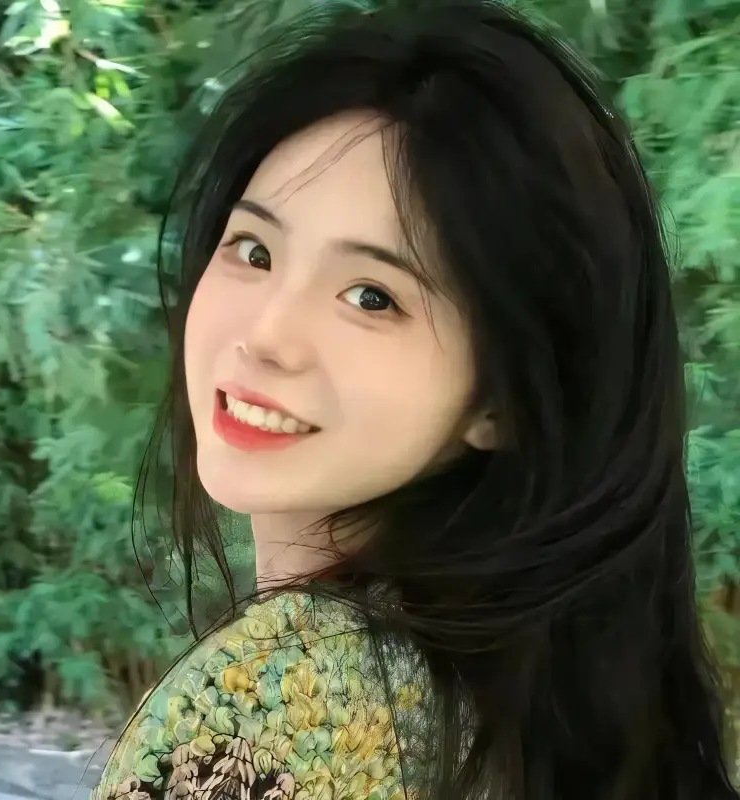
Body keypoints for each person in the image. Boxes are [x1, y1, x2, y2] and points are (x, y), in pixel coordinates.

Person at [91, 1, 740, 799]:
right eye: (254, 250)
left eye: (371, 296)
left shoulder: (263, 708)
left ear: (502, 399)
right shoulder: (528, 705)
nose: (265, 335)